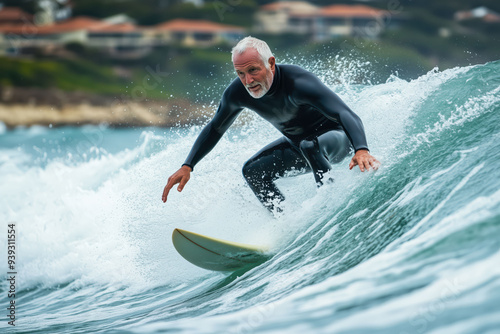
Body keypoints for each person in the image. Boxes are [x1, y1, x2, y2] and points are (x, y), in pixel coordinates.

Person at [162, 36, 379, 213]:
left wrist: (361, 149)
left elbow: (345, 113)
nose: (248, 81)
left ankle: (330, 207)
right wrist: (188, 165)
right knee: (252, 171)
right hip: (299, 146)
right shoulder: (237, 93)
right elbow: (216, 128)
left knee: (308, 145)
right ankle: (286, 220)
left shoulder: (298, 83)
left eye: (253, 70)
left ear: (271, 63)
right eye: (240, 74)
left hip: (337, 139)